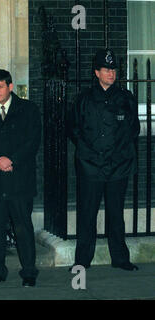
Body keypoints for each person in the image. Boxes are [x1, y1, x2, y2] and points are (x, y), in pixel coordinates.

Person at [68, 48, 140, 271]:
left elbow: (133, 129)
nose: (111, 73)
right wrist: (89, 153)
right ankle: (82, 260)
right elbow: (74, 130)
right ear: (97, 72)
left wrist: (117, 154)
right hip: (90, 166)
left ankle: (120, 258)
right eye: (106, 69)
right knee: (87, 214)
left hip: (118, 166)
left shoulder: (125, 98)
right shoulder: (84, 99)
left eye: (113, 69)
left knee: (116, 215)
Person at [0, 69, 41, 287]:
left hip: (19, 180)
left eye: (0, 87)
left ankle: (29, 272)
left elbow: (32, 142)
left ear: (10, 87)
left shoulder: (28, 109)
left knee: (23, 227)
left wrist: (11, 159)